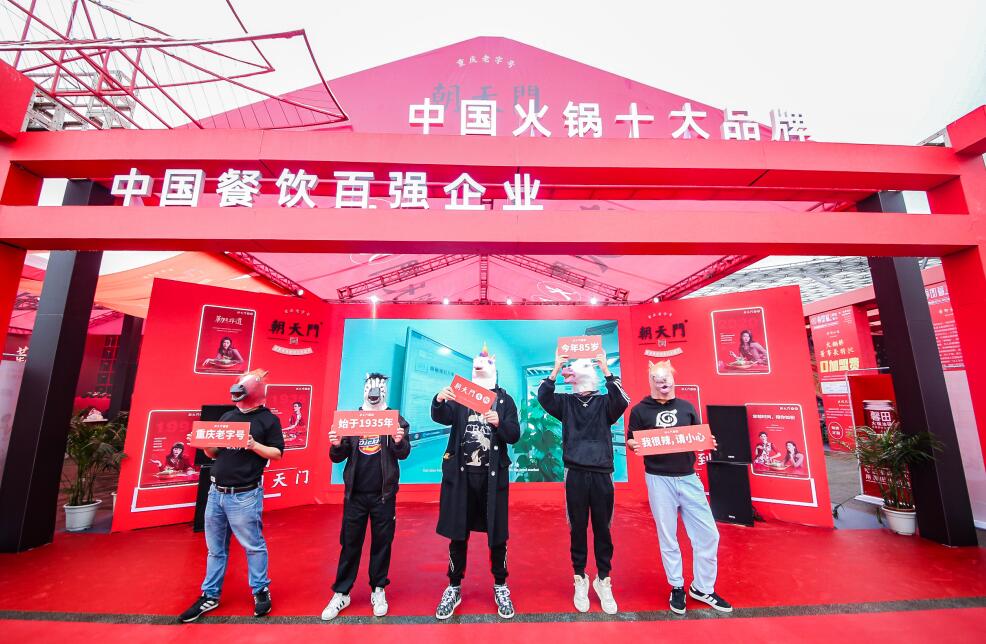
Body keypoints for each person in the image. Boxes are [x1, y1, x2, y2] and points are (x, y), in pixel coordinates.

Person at [627, 360, 732, 615]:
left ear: (674, 379)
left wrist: (707, 440)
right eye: (658, 377)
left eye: (667, 376)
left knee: (708, 534)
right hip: (658, 479)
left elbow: (697, 436)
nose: (663, 381)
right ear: (651, 380)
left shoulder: (686, 408)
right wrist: (633, 445)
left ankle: (703, 587)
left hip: (688, 477)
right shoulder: (640, 410)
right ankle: (676, 586)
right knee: (668, 536)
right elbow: (631, 439)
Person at [178, 368, 284, 623]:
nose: (237, 396)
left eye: (241, 391)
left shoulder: (268, 420)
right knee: (215, 549)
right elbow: (214, 453)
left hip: (245, 495)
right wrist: (202, 443)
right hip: (216, 493)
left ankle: (260, 590)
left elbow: (277, 453)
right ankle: (210, 594)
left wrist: (254, 445)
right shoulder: (227, 416)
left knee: (253, 546)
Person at [432, 343, 521, 620]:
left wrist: (498, 423)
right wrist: (439, 400)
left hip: (492, 478)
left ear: (494, 368)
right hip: (462, 477)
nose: (480, 366)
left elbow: (514, 435)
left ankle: (500, 584)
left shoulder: (505, 401)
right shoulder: (461, 394)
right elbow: (442, 417)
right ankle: (454, 586)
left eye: (485, 362)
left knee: (497, 535)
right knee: (458, 533)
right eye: (476, 363)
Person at [538, 350, 629, 615]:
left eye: (578, 366)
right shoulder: (565, 402)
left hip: (602, 472)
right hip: (575, 473)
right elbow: (543, 397)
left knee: (603, 528)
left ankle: (604, 579)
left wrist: (606, 369)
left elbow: (622, 400)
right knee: (577, 528)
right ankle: (580, 577)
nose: (572, 371)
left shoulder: (605, 402)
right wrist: (555, 369)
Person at [321, 373, 411, 621]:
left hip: (383, 495)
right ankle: (342, 592)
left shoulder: (395, 420)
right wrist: (336, 444)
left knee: (382, 543)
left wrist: (398, 441)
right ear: (365, 390)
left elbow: (404, 453)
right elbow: (337, 457)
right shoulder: (351, 420)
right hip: (355, 495)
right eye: (371, 388)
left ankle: (378, 589)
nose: (374, 393)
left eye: (379, 389)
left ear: (384, 391)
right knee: (350, 543)